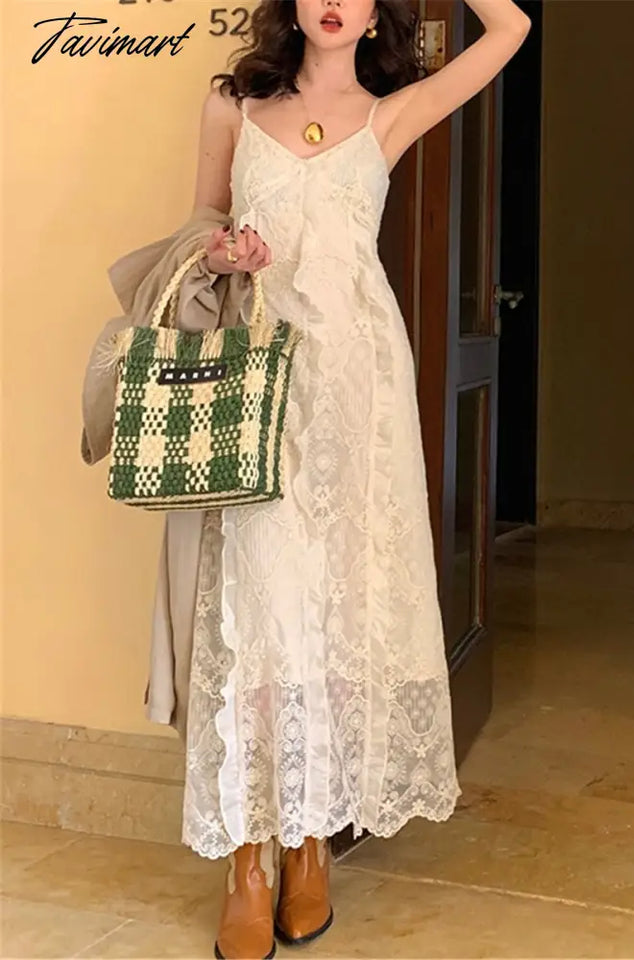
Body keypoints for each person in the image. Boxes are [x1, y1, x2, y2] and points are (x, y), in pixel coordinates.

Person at [184, 1, 530, 957]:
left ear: (376, 11)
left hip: (357, 390)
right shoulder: (232, 105)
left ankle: (310, 844)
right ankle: (247, 857)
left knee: (341, 605)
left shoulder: (392, 112)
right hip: (258, 380)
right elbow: (199, 228)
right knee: (260, 608)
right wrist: (224, 249)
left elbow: (509, 31)